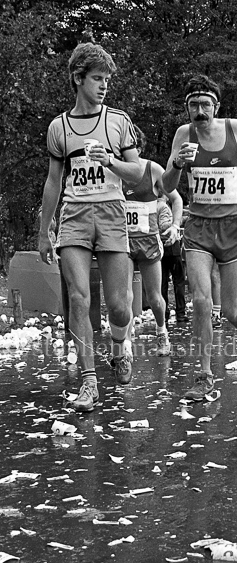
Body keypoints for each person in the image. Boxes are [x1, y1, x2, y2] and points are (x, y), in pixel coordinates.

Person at [38, 41, 141, 412]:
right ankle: (89, 382)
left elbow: (139, 172)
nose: (103, 86)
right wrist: (43, 229)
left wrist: (111, 161)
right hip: (74, 218)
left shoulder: (118, 122)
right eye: (97, 78)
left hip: (112, 213)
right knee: (79, 299)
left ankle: (119, 349)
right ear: (78, 79)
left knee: (119, 308)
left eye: (107, 80)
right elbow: (53, 182)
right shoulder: (59, 128)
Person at [162, 74, 237, 400]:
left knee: (231, 310)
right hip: (198, 229)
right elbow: (166, 187)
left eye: (205, 104)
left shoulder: (235, 129)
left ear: (216, 106)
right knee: (200, 301)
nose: (200, 110)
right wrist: (177, 165)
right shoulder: (183, 134)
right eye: (193, 104)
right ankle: (203, 376)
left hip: (234, 228)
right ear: (187, 108)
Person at [124, 126, 182, 355]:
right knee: (125, 295)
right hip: (122, 241)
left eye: (130, 147)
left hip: (149, 241)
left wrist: (176, 227)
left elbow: (176, 199)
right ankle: (126, 344)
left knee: (155, 297)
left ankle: (162, 331)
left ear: (138, 147)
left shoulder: (153, 169)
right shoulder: (114, 170)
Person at [158, 197, 188, 325]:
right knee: (179, 281)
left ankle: (163, 313)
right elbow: (165, 225)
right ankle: (180, 313)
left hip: (159, 248)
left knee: (162, 283)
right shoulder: (163, 207)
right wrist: (179, 222)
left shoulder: (151, 205)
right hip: (172, 247)